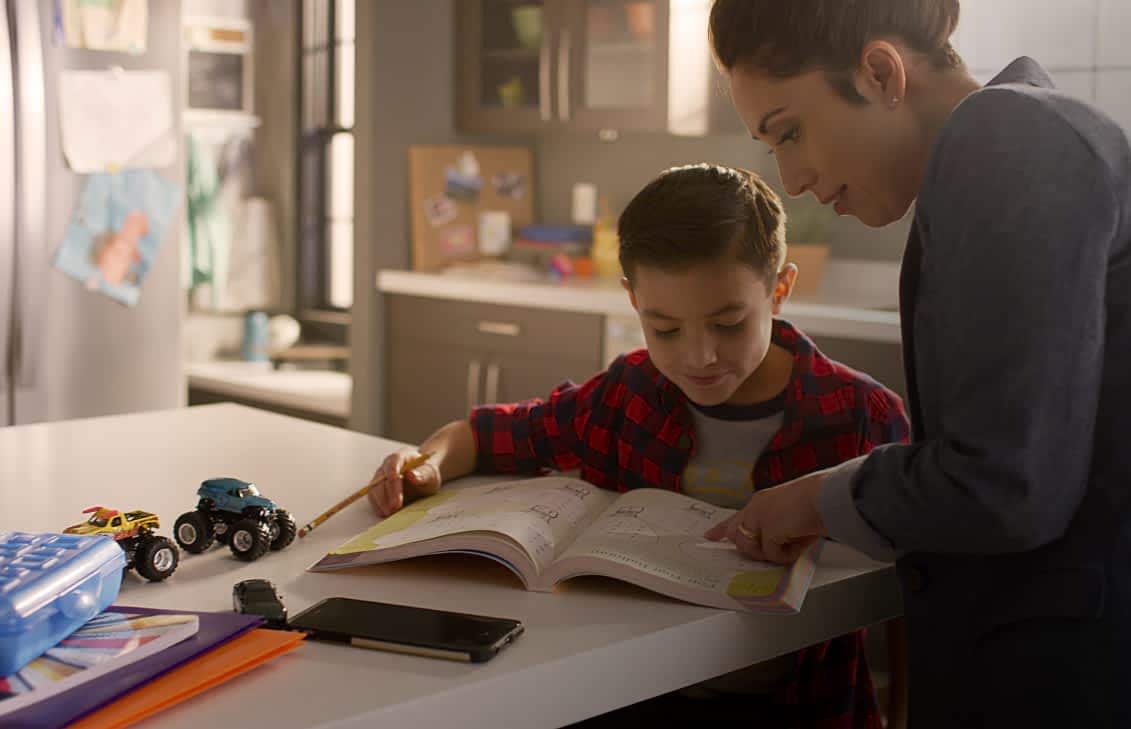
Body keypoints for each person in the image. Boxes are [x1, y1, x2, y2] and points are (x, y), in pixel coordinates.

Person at [703, 1, 1131, 727]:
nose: (793, 176)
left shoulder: (1007, 136)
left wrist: (821, 499)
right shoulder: (1011, 137)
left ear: (878, 72)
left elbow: (1003, 482)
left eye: (789, 132)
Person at [370, 164, 909, 727]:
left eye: (728, 324)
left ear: (779, 290)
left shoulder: (860, 418)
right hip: (631, 691)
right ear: (633, 301)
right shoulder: (627, 393)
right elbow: (484, 434)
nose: (699, 357)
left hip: (801, 705)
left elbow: (923, 568)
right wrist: (426, 463)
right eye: (666, 330)